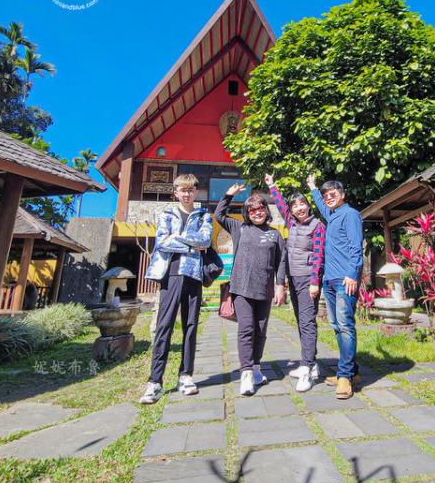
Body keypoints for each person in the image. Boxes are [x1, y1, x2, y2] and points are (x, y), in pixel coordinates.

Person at [139, 174, 213, 404]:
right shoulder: (167, 214)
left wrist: (179, 237)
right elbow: (161, 241)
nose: (187, 194)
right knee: (164, 326)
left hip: (193, 274)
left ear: (196, 192)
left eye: (191, 190)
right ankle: (155, 381)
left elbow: (206, 241)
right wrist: (190, 242)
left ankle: (186, 375)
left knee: (191, 326)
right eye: (183, 190)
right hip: (170, 274)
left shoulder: (203, 216)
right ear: (176, 192)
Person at [215, 183, 287, 396]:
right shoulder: (240, 228)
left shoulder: (275, 235)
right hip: (241, 288)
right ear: (247, 213)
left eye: (261, 208)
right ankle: (245, 373)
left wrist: (280, 286)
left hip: (264, 290)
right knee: (246, 328)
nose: (257, 213)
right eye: (252, 210)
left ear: (267, 210)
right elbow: (219, 215)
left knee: (261, 331)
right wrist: (228, 194)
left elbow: (280, 263)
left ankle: (256, 367)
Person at [265, 173, 325, 392]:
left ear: (308, 206)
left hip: (308, 279)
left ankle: (307, 369)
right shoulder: (291, 222)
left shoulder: (317, 225)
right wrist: (272, 186)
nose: (299, 208)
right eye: (295, 206)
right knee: (301, 321)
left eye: (303, 204)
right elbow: (280, 204)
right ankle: (311, 363)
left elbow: (318, 254)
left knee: (307, 322)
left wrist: (314, 282)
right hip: (294, 278)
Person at [308, 174, 364, 400]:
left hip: (344, 280)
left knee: (345, 326)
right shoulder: (332, 216)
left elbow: (356, 247)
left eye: (333, 195)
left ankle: (345, 376)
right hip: (329, 280)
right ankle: (353, 371)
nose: (328, 199)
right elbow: (321, 205)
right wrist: (312, 187)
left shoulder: (350, 214)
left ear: (342, 195)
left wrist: (353, 275)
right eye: (325, 196)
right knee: (336, 325)